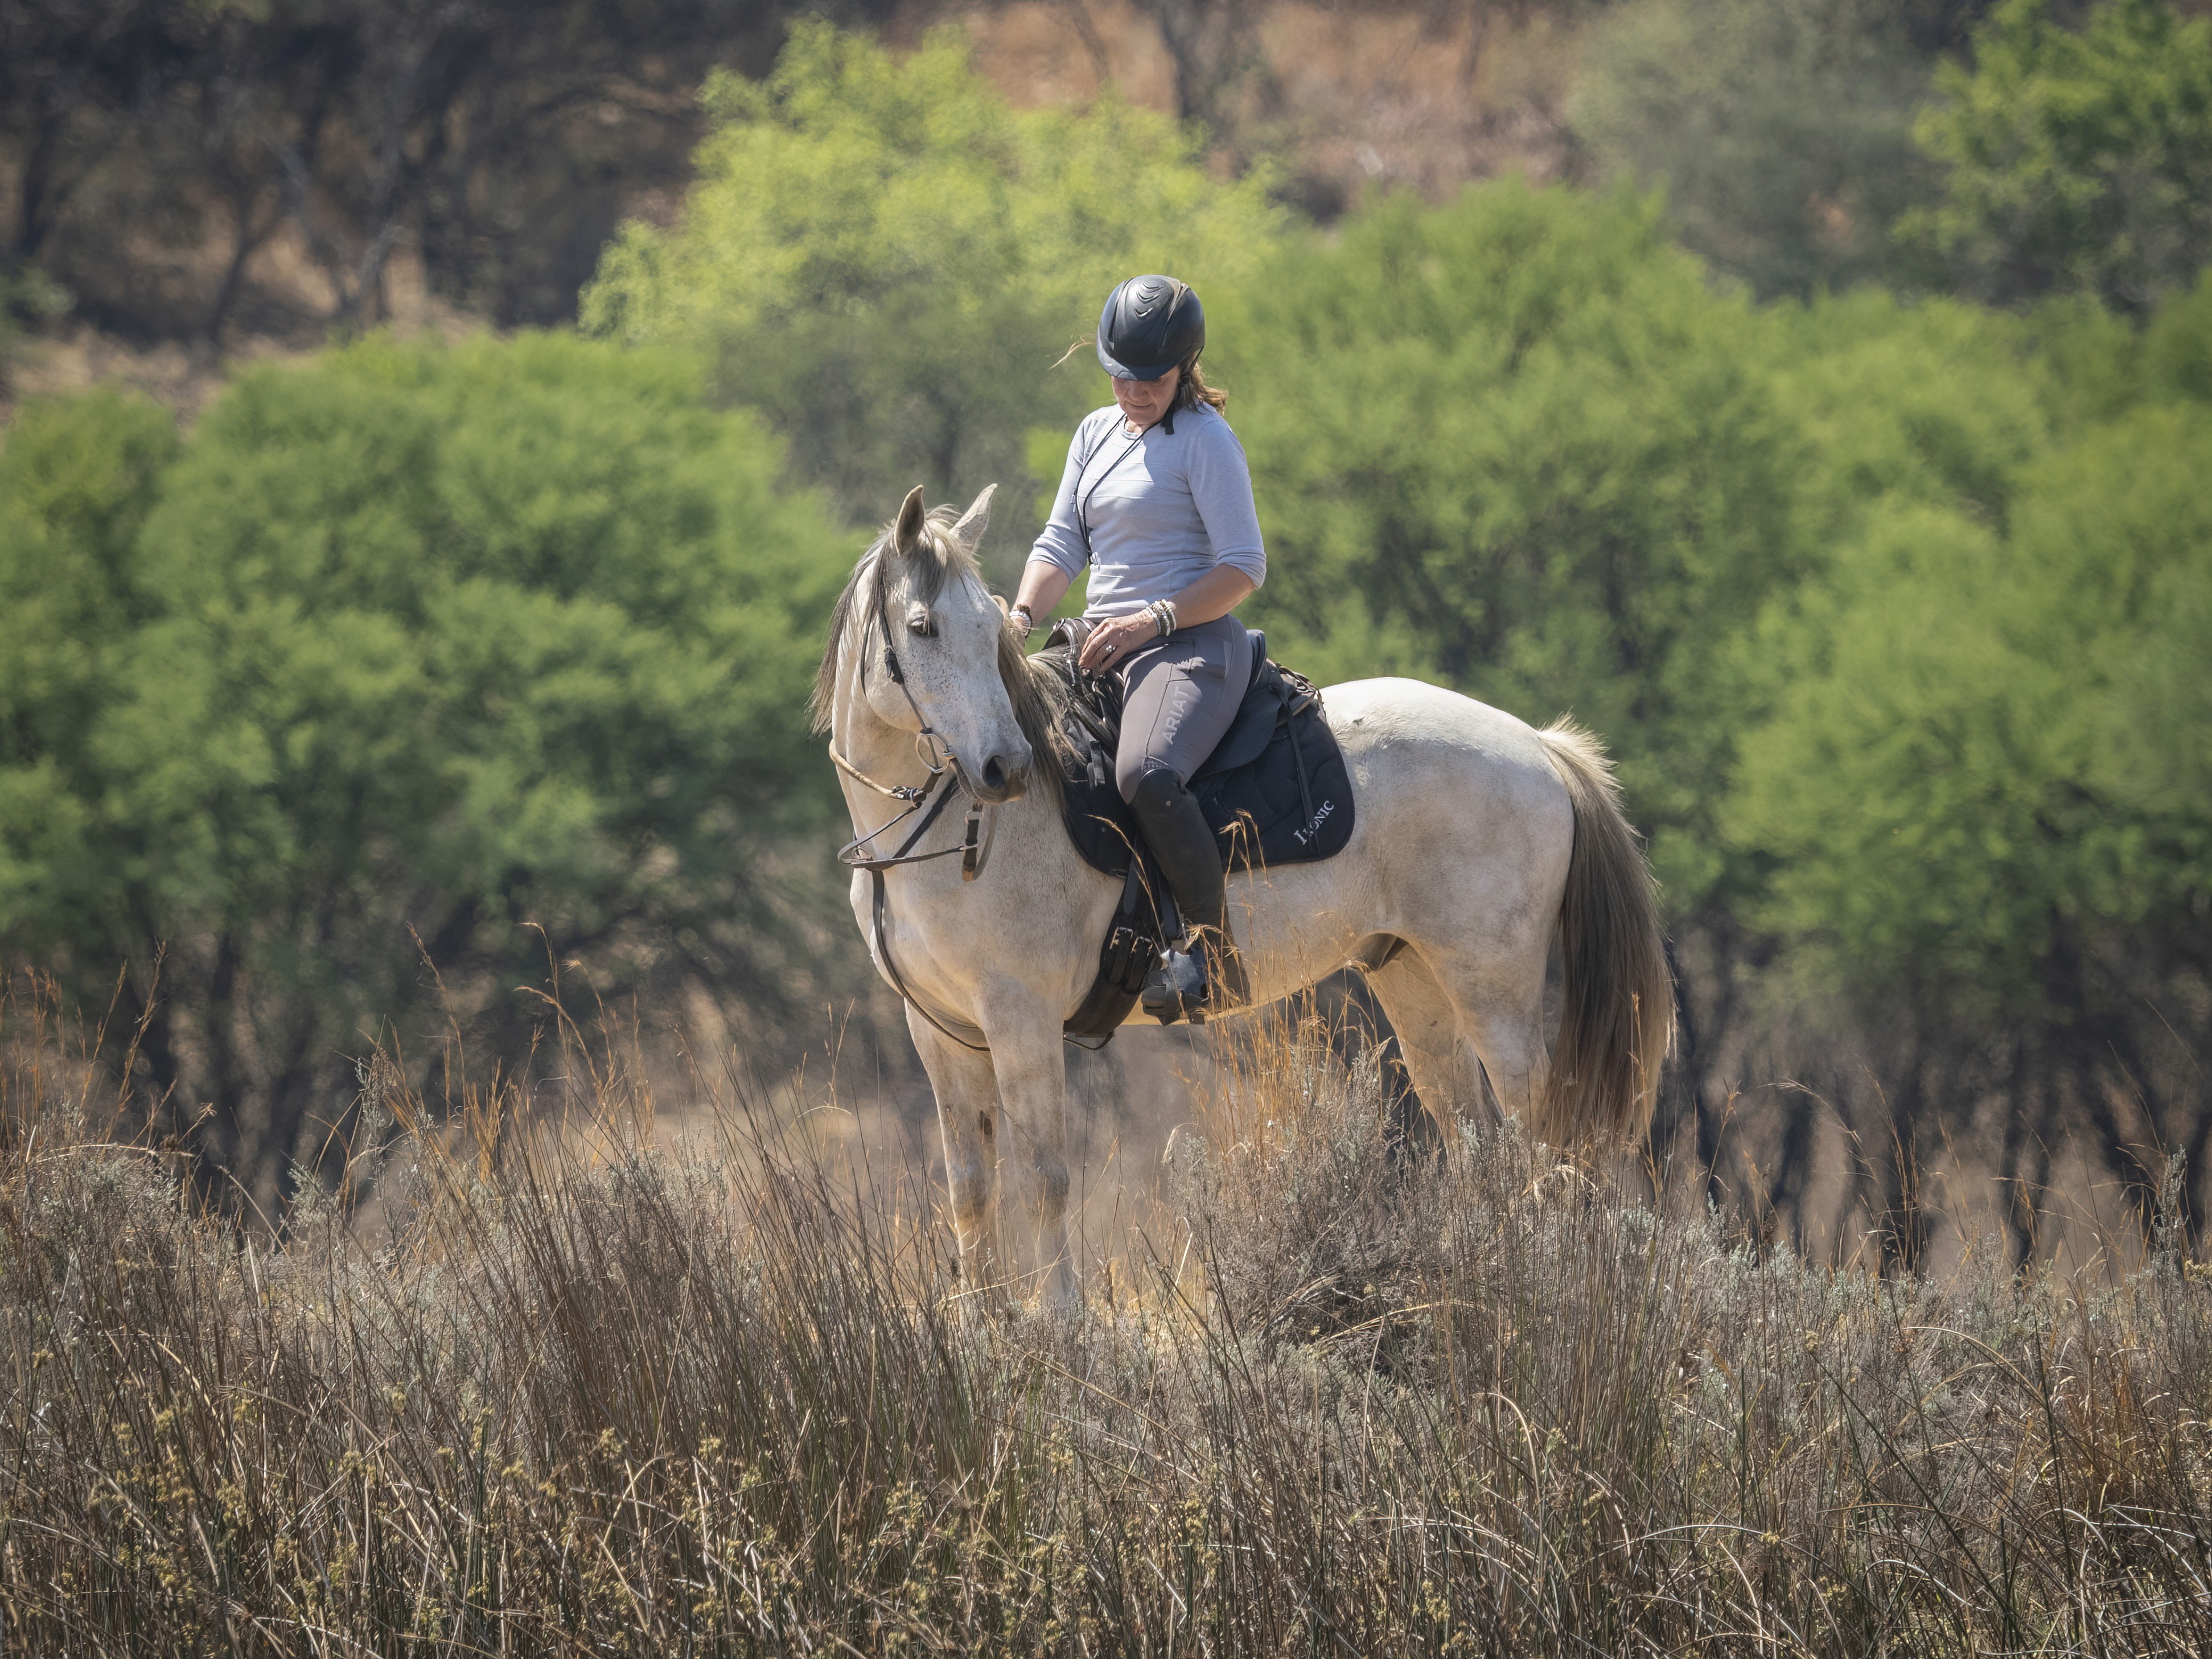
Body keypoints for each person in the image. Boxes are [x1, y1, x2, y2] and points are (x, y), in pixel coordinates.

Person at [1010, 273, 1265, 1023]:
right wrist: (1020, 615)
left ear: (1184, 367)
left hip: (1189, 647)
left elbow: (1242, 568)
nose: (1132, 390)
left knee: (1147, 773)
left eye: (1149, 378)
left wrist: (1151, 622)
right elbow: (1061, 542)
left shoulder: (1206, 442)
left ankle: (1212, 960)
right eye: (1119, 375)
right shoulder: (1093, 433)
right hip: (1097, 642)